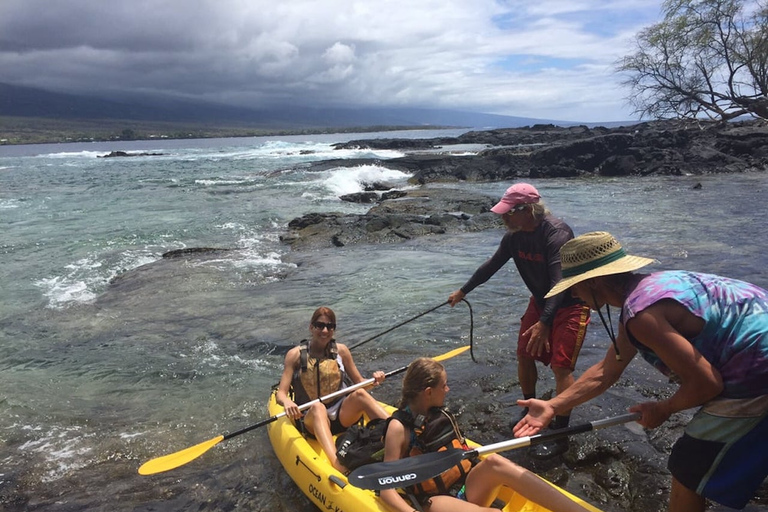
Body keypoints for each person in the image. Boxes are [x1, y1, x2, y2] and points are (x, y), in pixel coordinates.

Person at [513, 231, 768, 512]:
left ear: (595, 281)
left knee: (687, 465)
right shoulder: (650, 289)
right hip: (755, 355)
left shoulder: (641, 314)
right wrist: (553, 405)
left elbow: (707, 384)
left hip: (757, 373)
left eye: (575, 285)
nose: (573, 293)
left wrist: (664, 408)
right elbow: (606, 370)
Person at [448, 182, 590, 458]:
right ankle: (529, 409)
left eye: (508, 213)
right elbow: (491, 265)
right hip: (540, 302)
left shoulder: (557, 234)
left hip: (570, 303)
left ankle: (560, 427)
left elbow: (559, 283)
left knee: (561, 367)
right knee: (524, 354)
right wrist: (463, 290)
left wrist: (545, 323)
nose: (503, 218)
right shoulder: (514, 236)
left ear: (527, 209)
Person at [379, 357, 591, 512]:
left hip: (462, 487)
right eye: (444, 385)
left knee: (497, 463)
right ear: (428, 392)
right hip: (433, 501)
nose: (448, 389)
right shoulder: (399, 428)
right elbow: (386, 490)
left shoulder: (436, 413)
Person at [276, 306, 389, 473]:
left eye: (330, 326)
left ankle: (397, 433)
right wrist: (286, 402)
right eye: (320, 325)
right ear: (311, 327)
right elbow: (281, 393)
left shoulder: (341, 351)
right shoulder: (295, 355)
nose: (325, 330)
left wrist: (375, 379)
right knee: (318, 407)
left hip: (341, 416)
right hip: (312, 419)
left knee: (359, 394)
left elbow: (359, 382)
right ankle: (337, 462)